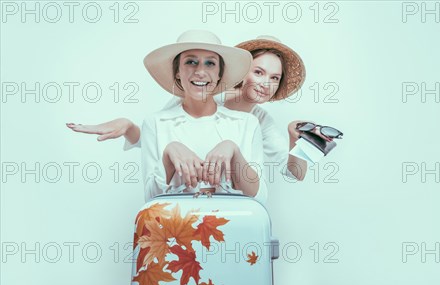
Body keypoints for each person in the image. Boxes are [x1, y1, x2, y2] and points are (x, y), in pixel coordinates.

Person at [67, 36, 326, 182]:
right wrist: (128, 127)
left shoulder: (260, 121)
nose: (266, 83)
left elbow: (294, 174)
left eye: (274, 78)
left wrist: (297, 141)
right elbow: (155, 137)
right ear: (240, 72)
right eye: (258, 72)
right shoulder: (203, 94)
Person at [137, 29, 266, 203]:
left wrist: (234, 151)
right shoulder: (155, 123)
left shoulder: (246, 124)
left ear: (220, 73)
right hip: (175, 229)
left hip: (234, 227)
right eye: (191, 62)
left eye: (210, 63)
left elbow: (260, 199)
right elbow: (150, 201)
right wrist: (169, 154)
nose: (200, 71)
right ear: (177, 71)